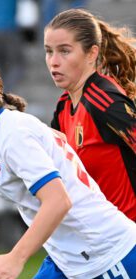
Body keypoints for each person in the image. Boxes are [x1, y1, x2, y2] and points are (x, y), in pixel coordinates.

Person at [0, 59, 136, 279]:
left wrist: (16, 258)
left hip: (108, 255)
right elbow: (26, 189)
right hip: (69, 260)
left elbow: (58, 201)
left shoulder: (13, 134)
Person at [45, 9, 136, 221]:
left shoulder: (103, 101)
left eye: (64, 51)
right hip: (97, 236)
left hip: (127, 238)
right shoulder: (63, 106)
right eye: (49, 51)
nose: (53, 61)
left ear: (92, 53)